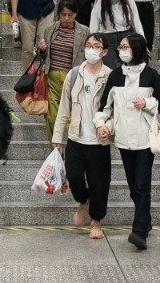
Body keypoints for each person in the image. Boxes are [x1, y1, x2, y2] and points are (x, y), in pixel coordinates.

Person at [94, 33, 160, 250]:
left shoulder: (151, 75)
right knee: (134, 187)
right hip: (124, 139)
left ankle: (139, 231)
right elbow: (105, 107)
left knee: (141, 185)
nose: (122, 50)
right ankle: (146, 221)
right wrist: (102, 124)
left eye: (126, 47)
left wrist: (147, 102)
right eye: (121, 47)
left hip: (144, 139)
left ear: (137, 49)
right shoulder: (115, 75)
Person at [51, 32, 112, 240]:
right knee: (74, 178)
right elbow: (64, 108)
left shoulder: (110, 76)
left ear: (104, 52)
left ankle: (96, 221)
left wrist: (108, 128)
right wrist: (57, 136)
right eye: (88, 45)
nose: (91, 49)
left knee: (99, 183)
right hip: (76, 138)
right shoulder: (74, 74)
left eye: (96, 46)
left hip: (98, 142)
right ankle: (84, 201)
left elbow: (114, 110)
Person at [36, 0, 89, 140]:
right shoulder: (50, 30)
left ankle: (70, 147)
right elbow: (44, 57)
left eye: (70, 15)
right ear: (58, 14)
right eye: (63, 14)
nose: (66, 18)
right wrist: (42, 50)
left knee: (72, 117)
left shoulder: (84, 31)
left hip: (73, 78)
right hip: (52, 77)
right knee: (52, 117)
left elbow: (88, 56)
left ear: (76, 14)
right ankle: (55, 148)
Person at [89, 0, 144, 69]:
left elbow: (136, 22)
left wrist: (143, 41)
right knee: (111, 69)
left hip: (126, 37)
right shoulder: (100, 2)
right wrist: (93, 45)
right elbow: (93, 26)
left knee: (128, 67)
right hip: (107, 38)